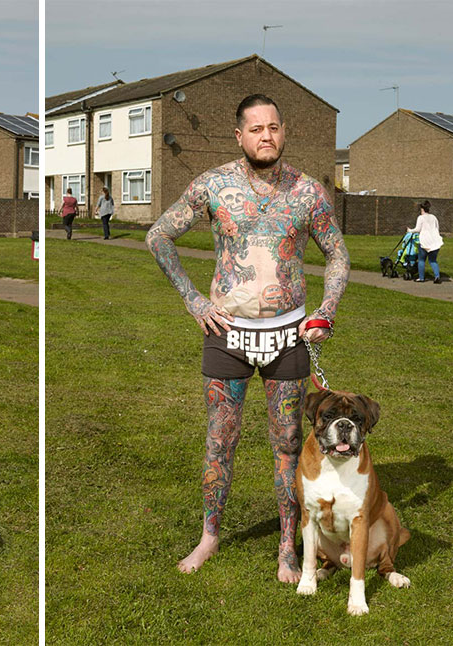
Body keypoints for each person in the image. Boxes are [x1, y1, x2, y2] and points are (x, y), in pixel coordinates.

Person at [145, 94, 349, 583]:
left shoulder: (308, 192)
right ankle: (210, 537)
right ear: (240, 135)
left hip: (288, 334)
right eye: (256, 129)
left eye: (274, 127)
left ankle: (288, 546)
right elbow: (158, 235)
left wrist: (326, 308)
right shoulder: (213, 185)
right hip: (227, 332)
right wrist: (194, 300)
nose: (266, 136)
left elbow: (339, 255)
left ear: (284, 132)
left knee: (289, 442)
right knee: (220, 441)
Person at [407, 200, 443, 283]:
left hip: (425, 241)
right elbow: (437, 228)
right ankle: (437, 276)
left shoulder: (421, 217)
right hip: (435, 241)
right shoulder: (434, 217)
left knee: (421, 260)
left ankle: (421, 277)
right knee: (433, 260)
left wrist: (410, 231)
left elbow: (418, 229)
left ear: (422, 209)